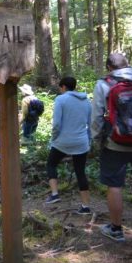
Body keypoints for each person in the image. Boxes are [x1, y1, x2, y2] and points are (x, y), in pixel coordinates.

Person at [91, 53, 132, 242]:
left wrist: (96, 138)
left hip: (115, 143)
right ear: (128, 64)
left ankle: (116, 229)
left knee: (114, 185)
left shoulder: (104, 83)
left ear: (109, 67)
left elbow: (98, 115)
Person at [45, 77, 92, 215]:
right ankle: (85, 206)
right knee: (80, 172)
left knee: (51, 164)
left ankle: (55, 194)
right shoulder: (87, 101)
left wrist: (53, 138)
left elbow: (57, 124)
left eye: (60, 88)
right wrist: (88, 140)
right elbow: (90, 124)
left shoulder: (61, 99)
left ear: (63, 87)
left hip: (62, 141)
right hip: (81, 142)